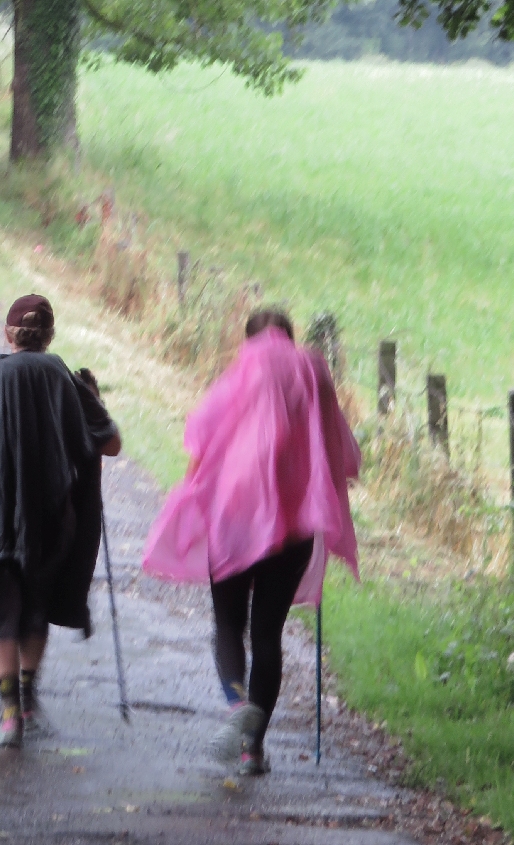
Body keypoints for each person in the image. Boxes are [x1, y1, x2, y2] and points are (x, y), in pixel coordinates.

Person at [142, 309, 360, 776]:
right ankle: (252, 750)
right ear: (289, 335)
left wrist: (191, 493)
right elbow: (343, 451)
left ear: (250, 339)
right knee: (267, 634)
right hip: (296, 527)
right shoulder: (314, 371)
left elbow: (203, 436)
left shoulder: (246, 368)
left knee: (227, 624)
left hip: (236, 522)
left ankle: (235, 701)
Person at [0, 294, 121, 748]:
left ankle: (10, 717)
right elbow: (112, 444)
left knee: (1, 608)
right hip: (53, 519)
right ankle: (28, 699)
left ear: (8, 334)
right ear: (49, 336)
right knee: (36, 604)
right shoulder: (64, 378)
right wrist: (90, 402)